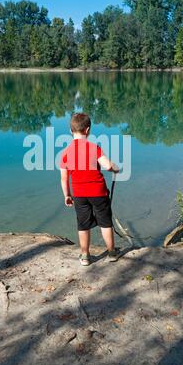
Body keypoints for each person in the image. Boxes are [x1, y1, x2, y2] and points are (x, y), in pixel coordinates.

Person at [60, 112, 120, 266]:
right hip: (98, 192)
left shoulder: (65, 153)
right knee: (105, 222)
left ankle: (85, 255)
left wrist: (67, 195)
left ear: (70, 130)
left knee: (83, 224)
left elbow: (64, 178)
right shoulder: (94, 148)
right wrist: (116, 168)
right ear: (87, 130)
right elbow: (107, 165)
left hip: (79, 194)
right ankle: (112, 252)